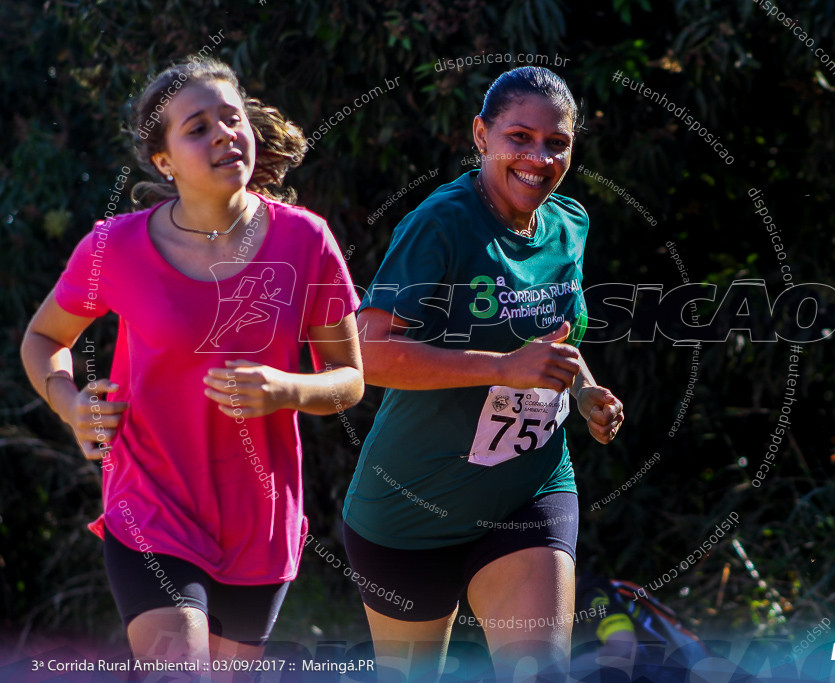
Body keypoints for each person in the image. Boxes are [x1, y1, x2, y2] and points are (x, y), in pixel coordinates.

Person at [19, 57, 364, 674]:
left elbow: (349, 380)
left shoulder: (306, 241)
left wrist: (287, 388)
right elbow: (44, 338)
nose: (224, 135)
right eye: (197, 127)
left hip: (258, 520)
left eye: (232, 119)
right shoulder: (113, 248)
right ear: (164, 162)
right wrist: (70, 403)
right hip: (149, 507)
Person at [343, 66, 625, 683]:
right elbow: (367, 352)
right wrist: (502, 368)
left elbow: (558, 339)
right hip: (410, 509)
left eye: (557, 143)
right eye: (520, 137)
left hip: (529, 489)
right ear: (481, 135)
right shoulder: (441, 222)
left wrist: (583, 391)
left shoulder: (568, 223)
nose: (539, 157)